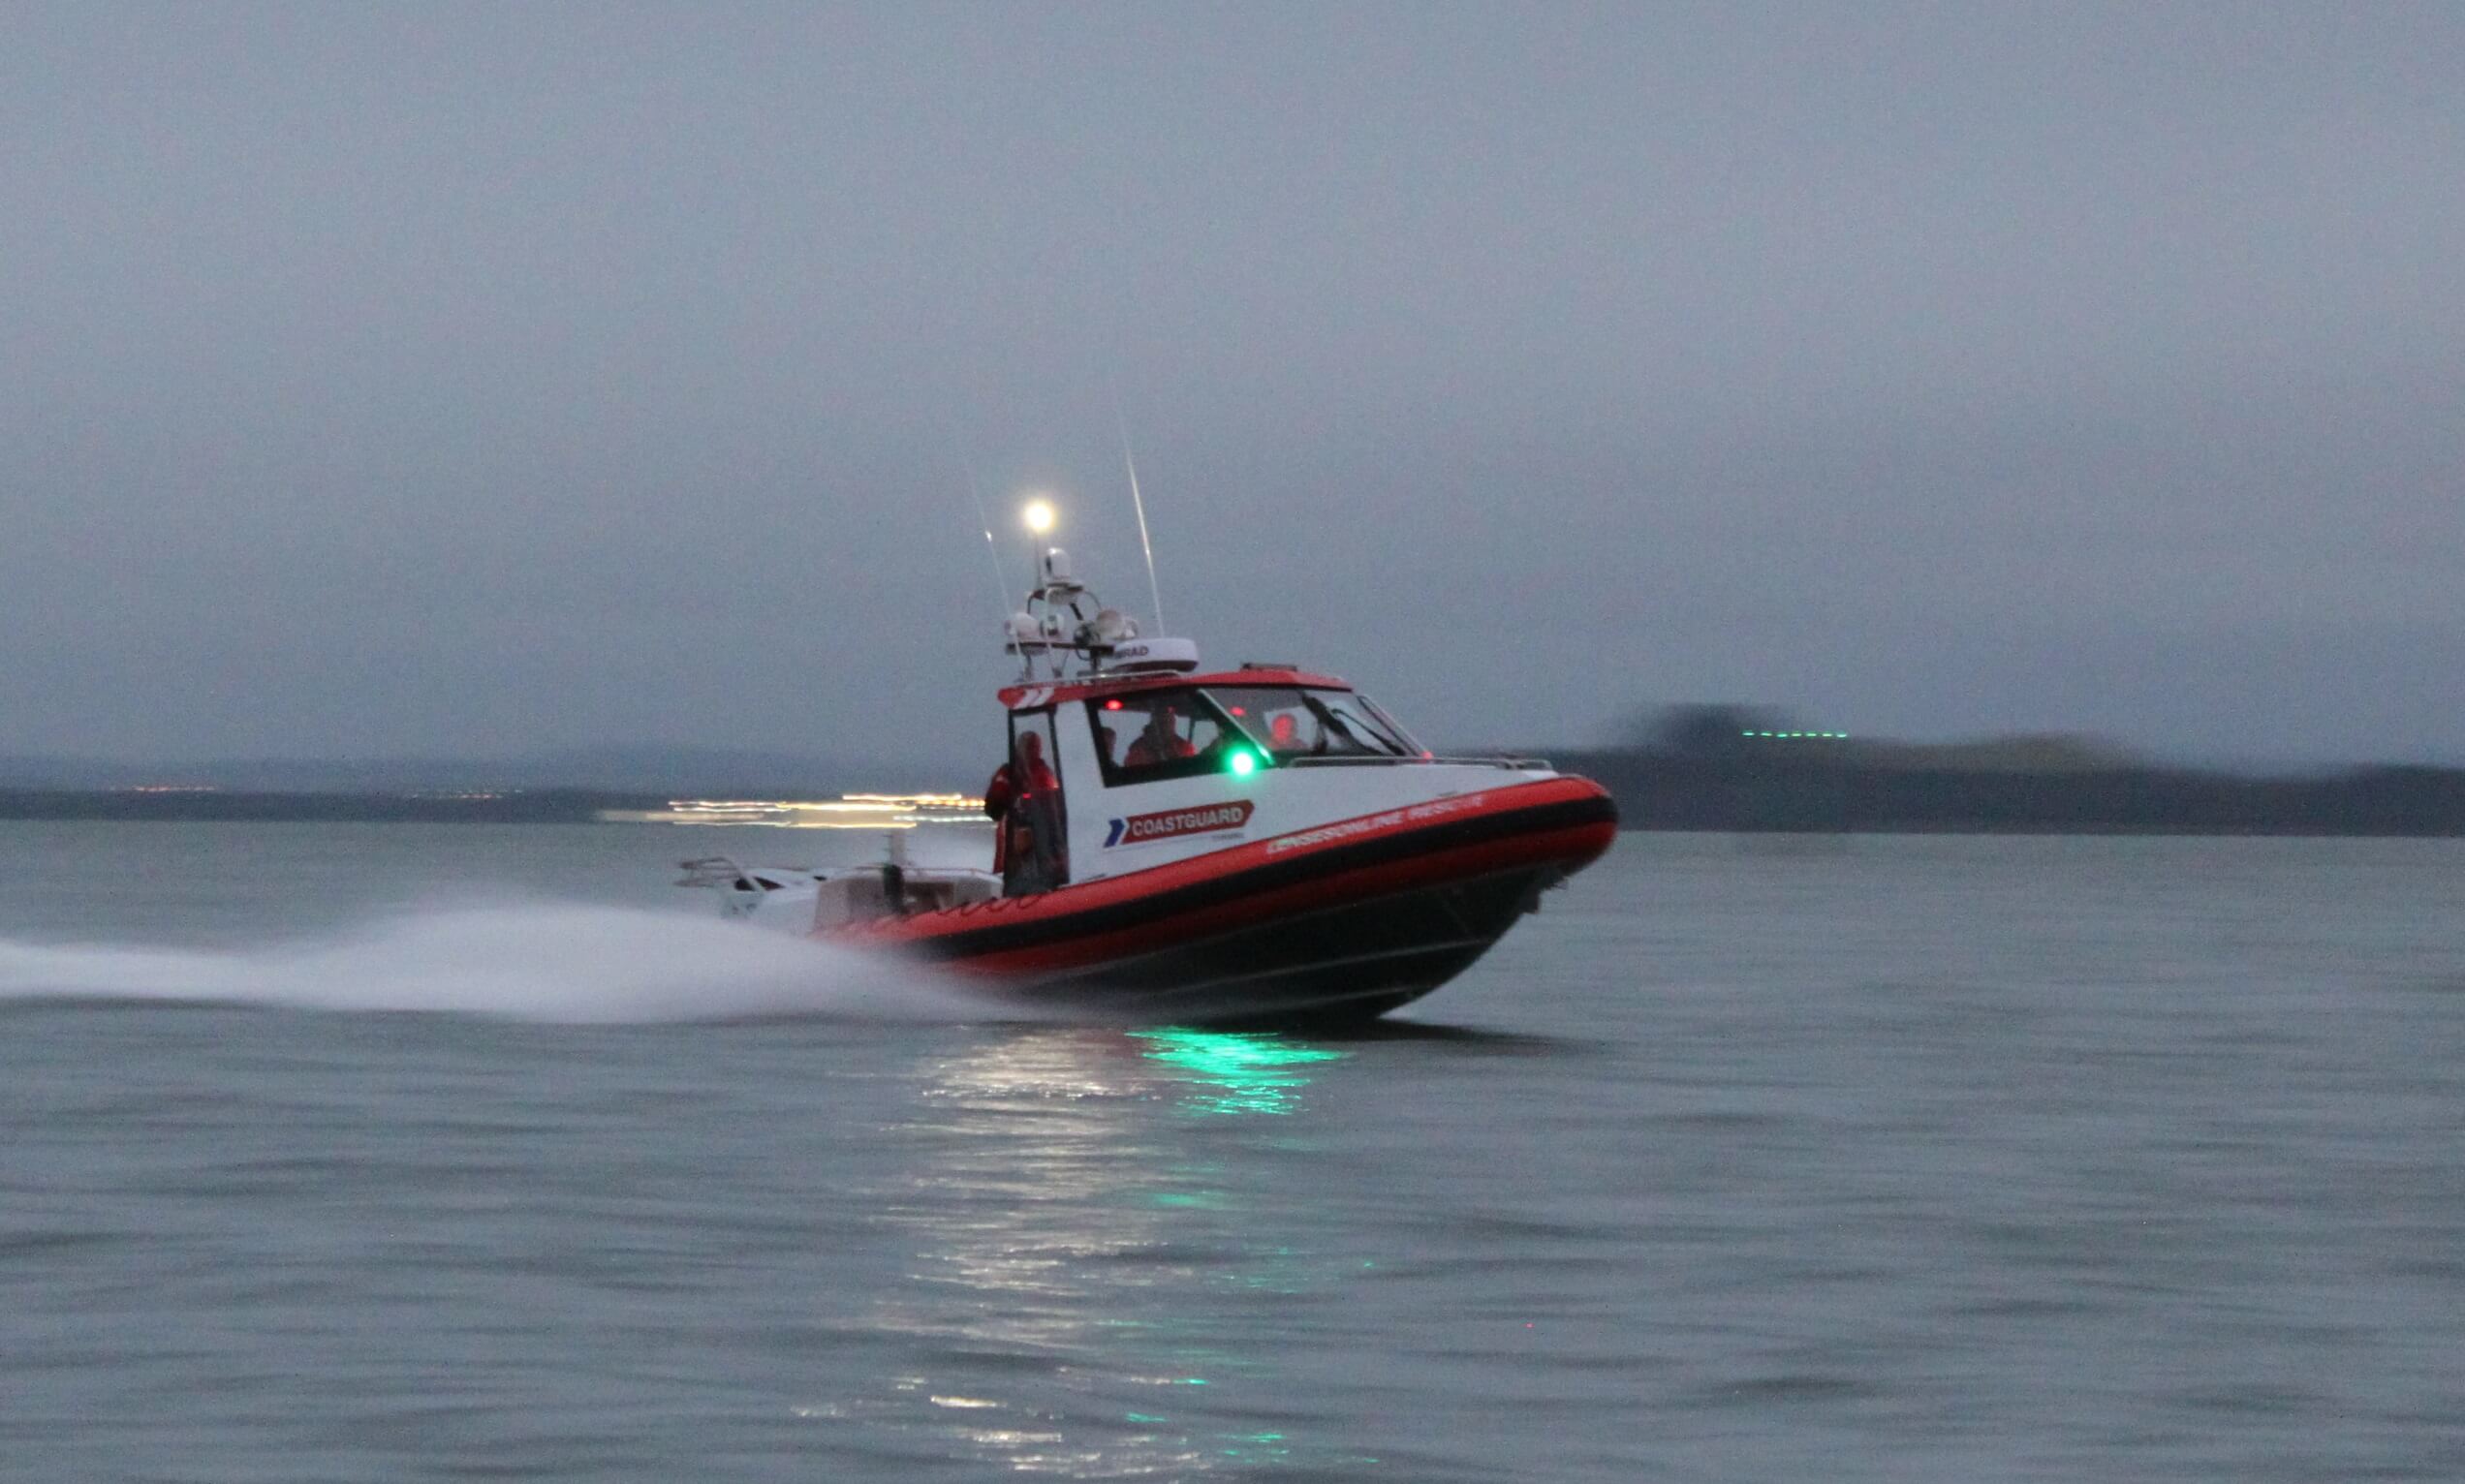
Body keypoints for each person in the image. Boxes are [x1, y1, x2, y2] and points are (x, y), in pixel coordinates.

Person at [1123, 704, 1198, 768]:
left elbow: (1190, 770)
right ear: (1154, 722)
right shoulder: (1139, 749)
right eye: (1162, 721)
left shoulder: (1184, 747)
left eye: (1170, 719)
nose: (1167, 724)